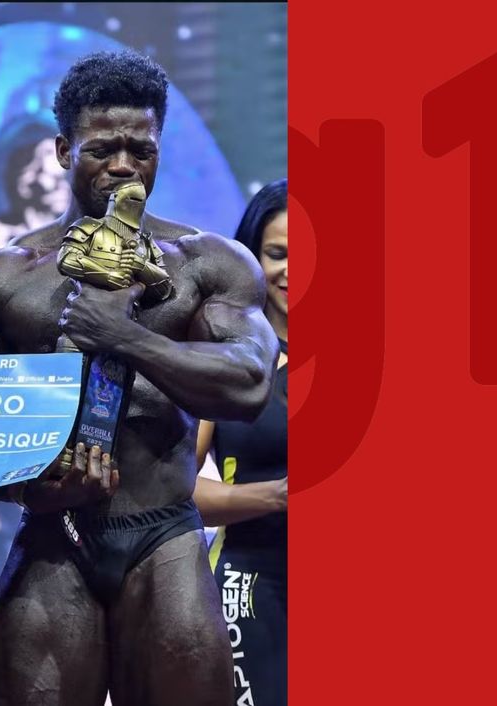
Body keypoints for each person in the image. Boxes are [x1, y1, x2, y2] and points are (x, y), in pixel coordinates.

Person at [0, 51, 279, 706]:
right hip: (53, 535)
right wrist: (27, 489)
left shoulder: (209, 264)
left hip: (164, 532)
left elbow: (247, 386)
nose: (123, 166)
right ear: (63, 150)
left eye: (140, 150)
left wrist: (123, 336)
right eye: (102, 150)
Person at [194, 178, 288, 706]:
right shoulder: (224, 357)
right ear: (250, 259)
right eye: (278, 254)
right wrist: (278, 496)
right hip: (252, 582)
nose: (294, 271)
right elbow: (172, 494)